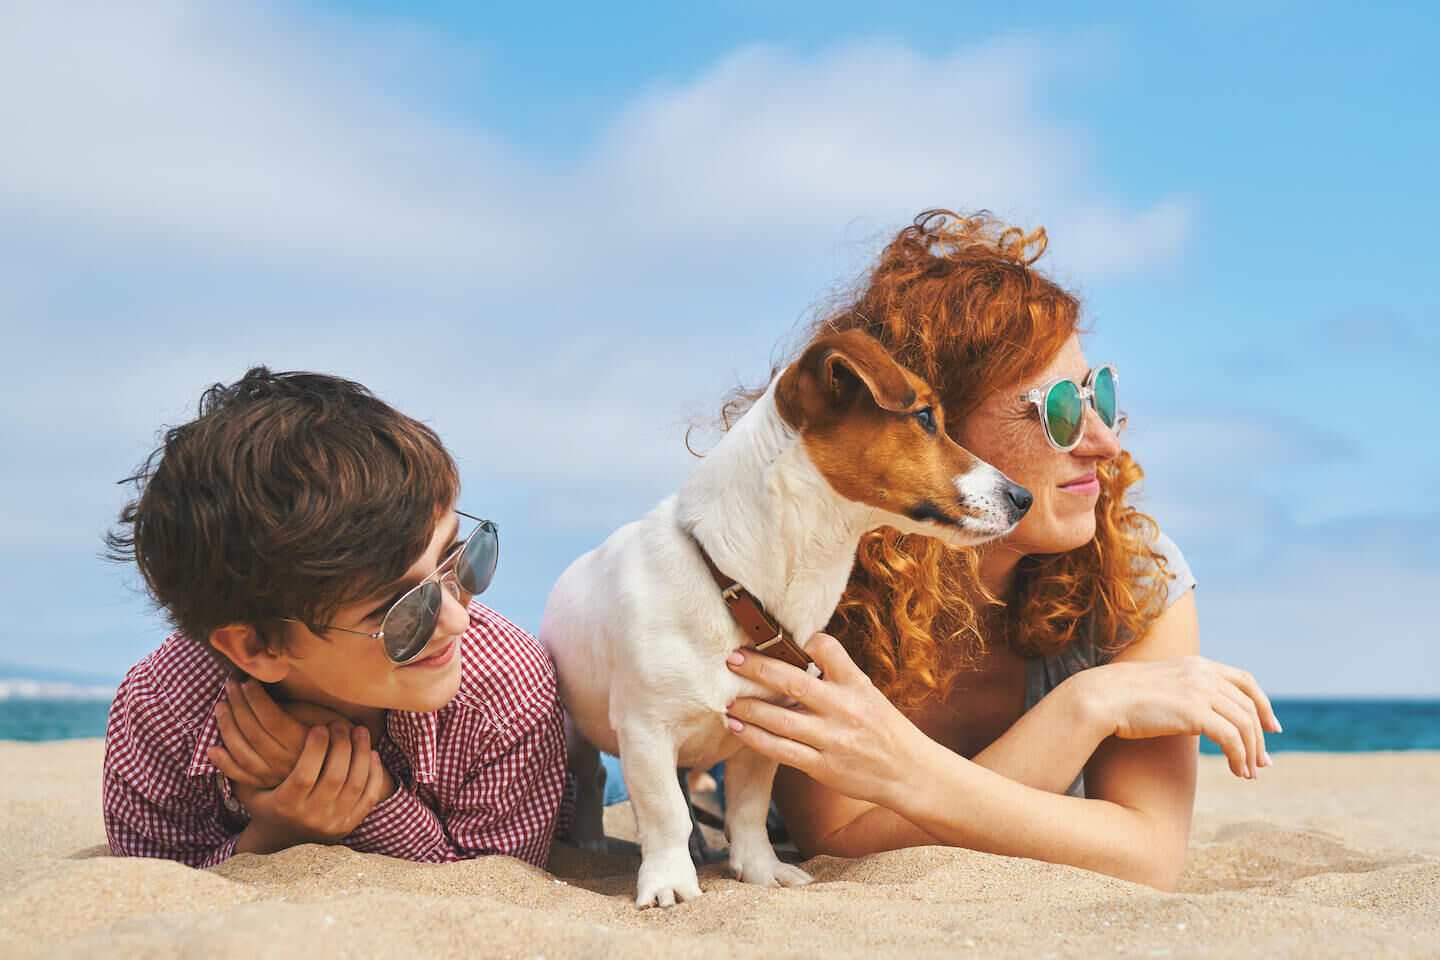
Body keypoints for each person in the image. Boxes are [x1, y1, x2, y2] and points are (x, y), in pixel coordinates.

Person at [721, 210, 1279, 891]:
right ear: (932, 428)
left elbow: (1150, 855)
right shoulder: (809, 582)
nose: (1106, 443)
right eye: (1059, 413)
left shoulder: (1134, 577)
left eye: (1096, 394)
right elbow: (835, 841)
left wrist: (906, 773)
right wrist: (1083, 712)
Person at [102, 368, 568, 868]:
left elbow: (503, 882)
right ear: (256, 648)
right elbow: (149, 879)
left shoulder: (505, 685)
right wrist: (277, 834)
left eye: (459, 558)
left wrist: (371, 802)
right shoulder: (165, 708)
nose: (457, 622)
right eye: (403, 610)